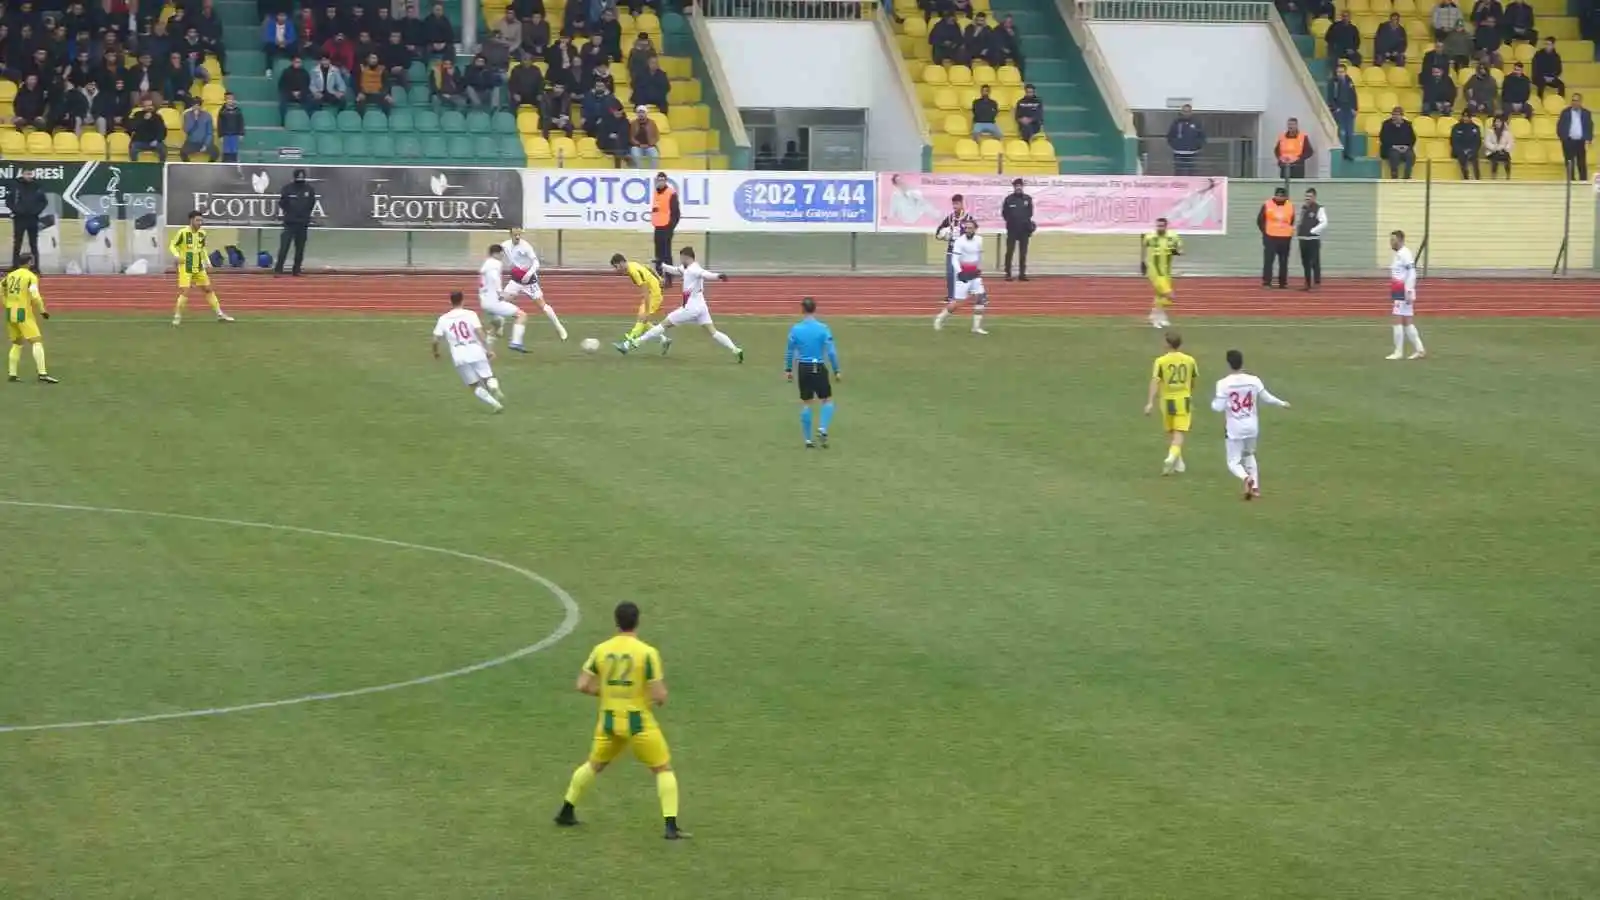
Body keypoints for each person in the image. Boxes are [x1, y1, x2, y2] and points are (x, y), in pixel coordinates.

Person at [554, 601, 687, 841]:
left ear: (616, 622)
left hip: (608, 720)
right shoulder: (647, 653)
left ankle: (566, 810)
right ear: (638, 621)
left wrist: (604, 692)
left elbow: (582, 685)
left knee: (594, 765)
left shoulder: (601, 649)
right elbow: (659, 694)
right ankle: (671, 827)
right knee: (662, 769)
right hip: (637, 722)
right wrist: (655, 698)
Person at [617, 246, 743, 362]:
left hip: (690, 308)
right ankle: (735, 349)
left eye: (682, 257)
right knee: (713, 332)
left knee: (663, 325)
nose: (680, 260)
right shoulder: (687, 268)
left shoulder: (695, 269)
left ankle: (634, 343)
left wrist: (718, 276)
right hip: (701, 307)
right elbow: (676, 270)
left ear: (687, 257)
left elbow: (705, 274)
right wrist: (663, 265)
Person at [1211, 349, 1290, 500]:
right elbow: (1266, 397)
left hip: (1234, 427)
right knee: (1249, 454)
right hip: (1252, 425)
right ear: (1242, 362)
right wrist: (1281, 403)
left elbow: (1218, 407)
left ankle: (1246, 478)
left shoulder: (1223, 384)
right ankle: (1255, 487)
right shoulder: (1254, 380)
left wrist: (1215, 403)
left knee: (1233, 462)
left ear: (1228, 364)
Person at [431, 290, 504, 412]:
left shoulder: (443, 319)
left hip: (459, 355)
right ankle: (494, 387)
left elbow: (435, 340)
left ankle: (495, 404)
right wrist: (488, 349)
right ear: (463, 300)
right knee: (488, 376)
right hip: (476, 349)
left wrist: (436, 353)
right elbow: (479, 332)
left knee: (474, 385)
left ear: (450, 301)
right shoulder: (470, 314)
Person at [785, 297, 840, 450]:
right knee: (827, 400)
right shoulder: (823, 328)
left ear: (802, 309)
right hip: (818, 366)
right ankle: (822, 428)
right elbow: (831, 352)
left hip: (803, 368)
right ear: (815, 309)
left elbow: (790, 351)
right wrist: (836, 370)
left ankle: (808, 440)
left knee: (806, 402)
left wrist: (788, 369)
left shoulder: (795, 329)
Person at [502, 226, 568, 344]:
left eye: (519, 235)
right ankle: (500, 327)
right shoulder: (505, 245)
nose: (517, 237)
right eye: (515, 235)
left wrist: (529, 274)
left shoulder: (526, 246)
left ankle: (559, 327)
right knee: (502, 301)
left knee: (543, 305)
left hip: (529, 281)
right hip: (516, 280)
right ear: (510, 235)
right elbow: (498, 254)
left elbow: (536, 262)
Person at [168, 210, 235, 326]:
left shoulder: (202, 233)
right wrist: (177, 256)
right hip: (186, 264)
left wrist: (207, 261)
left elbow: (202, 248)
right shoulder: (183, 233)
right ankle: (177, 316)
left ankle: (220, 314)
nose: (200, 223)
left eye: (201, 220)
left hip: (198, 265)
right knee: (186, 291)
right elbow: (173, 245)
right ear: (191, 221)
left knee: (208, 289)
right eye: (197, 220)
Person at [1143, 330, 1196, 475]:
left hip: (1166, 401)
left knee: (1172, 432)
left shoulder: (1160, 361)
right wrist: (1190, 394)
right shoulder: (1189, 360)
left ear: (1168, 344)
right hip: (1183, 399)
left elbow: (1155, 381)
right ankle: (1172, 457)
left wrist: (1150, 402)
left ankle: (1177, 462)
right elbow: (1193, 380)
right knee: (1179, 433)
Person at [3, 255, 57, 384]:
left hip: (10, 312)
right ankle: (42, 373)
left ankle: (12, 374)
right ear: (29, 263)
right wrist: (42, 310)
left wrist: (6, 303)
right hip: (22, 312)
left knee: (17, 343)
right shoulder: (30, 276)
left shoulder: (10, 276)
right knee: (36, 341)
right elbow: (35, 295)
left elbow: (1, 289)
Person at [933, 218, 988, 335]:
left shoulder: (979, 240)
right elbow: (954, 259)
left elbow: (979, 256)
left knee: (981, 298)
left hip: (975, 275)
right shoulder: (960, 241)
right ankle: (940, 318)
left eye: (970, 228)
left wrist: (979, 268)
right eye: (966, 228)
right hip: (963, 275)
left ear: (975, 229)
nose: (967, 230)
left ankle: (976, 327)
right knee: (957, 303)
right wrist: (960, 273)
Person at [476, 244, 531, 352]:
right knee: (522, 315)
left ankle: (485, 350)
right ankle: (516, 342)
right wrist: (502, 294)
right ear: (496, 253)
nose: (503, 256)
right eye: (502, 253)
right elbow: (494, 277)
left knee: (497, 324)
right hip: (493, 302)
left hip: (485, 302)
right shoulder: (495, 263)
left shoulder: (486, 264)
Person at [611, 252, 668, 351]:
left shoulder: (633, 272)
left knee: (642, 318)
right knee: (642, 320)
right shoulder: (632, 264)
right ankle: (664, 339)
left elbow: (645, 292)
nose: (616, 270)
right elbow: (649, 268)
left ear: (621, 263)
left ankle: (627, 344)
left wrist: (646, 312)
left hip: (654, 295)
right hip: (653, 293)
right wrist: (659, 278)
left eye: (616, 267)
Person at [1386, 230, 1426, 360]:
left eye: (1393, 240)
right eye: (1390, 240)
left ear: (1401, 240)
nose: (1391, 242)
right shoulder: (1399, 254)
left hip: (1402, 291)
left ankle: (1398, 352)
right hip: (1400, 289)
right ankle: (1419, 349)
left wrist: (1408, 291)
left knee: (1397, 319)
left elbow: (1412, 273)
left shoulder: (1404, 254)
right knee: (1407, 322)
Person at [933, 194, 977, 306]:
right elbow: (938, 232)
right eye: (954, 204)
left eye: (957, 203)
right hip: (951, 250)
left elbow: (973, 232)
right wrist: (944, 234)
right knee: (950, 273)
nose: (955, 206)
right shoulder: (949, 218)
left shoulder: (968, 218)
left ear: (962, 204)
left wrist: (964, 234)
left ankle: (973, 293)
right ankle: (951, 296)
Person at [1141, 217, 1182, 328]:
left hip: (1166, 271)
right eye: (1158, 225)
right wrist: (1142, 262)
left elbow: (1180, 250)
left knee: (1160, 295)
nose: (1159, 228)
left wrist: (1176, 251)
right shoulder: (1150, 236)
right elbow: (1144, 247)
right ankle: (1155, 317)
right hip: (1154, 271)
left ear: (1166, 226)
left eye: (1161, 226)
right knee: (1169, 295)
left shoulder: (1172, 237)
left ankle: (1159, 316)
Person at [276, 168, 318, 276]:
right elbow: (282, 203)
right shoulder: (287, 189)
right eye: (298, 175)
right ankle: (278, 269)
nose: (300, 177)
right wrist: (290, 213)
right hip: (289, 223)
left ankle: (296, 270)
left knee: (300, 248)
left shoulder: (309, 189)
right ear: (294, 176)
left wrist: (304, 215)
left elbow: (311, 204)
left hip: (302, 223)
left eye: (302, 175)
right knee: (284, 247)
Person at [1258, 186, 1295, 289]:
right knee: (1269, 261)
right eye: (1277, 195)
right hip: (1271, 237)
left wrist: (1288, 231)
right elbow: (1260, 220)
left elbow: (1292, 220)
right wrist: (1265, 233)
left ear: (1285, 197)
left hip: (1285, 237)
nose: (1279, 197)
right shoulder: (1267, 204)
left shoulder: (1290, 206)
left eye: (1282, 196)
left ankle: (1283, 283)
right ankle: (1267, 282)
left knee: (1283, 262)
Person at [8, 169, 46, 268]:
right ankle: (15, 266)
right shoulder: (16, 186)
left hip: (33, 219)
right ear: (23, 174)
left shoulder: (37, 186)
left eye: (30, 174)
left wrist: (36, 211)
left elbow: (44, 202)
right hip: (19, 219)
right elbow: (9, 201)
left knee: (33, 244)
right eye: (26, 174)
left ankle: (35, 267)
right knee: (17, 243)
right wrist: (17, 210)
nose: (28, 176)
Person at [650, 171, 680, 287]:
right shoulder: (656, 193)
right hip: (657, 227)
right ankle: (658, 277)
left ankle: (669, 279)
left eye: (663, 180)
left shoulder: (671, 193)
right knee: (658, 254)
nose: (660, 182)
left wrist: (670, 227)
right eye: (659, 180)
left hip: (666, 228)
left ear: (666, 181)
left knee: (666, 255)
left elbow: (676, 213)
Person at [1001, 178, 1034, 281]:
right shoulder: (1009, 199)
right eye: (1016, 186)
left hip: (1024, 230)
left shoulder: (1028, 199)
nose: (1018, 187)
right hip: (1012, 230)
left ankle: (1022, 274)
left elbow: (1030, 213)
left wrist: (1025, 223)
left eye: (1020, 185)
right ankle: (1008, 273)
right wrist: (1011, 222)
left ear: (1022, 187)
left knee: (1023, 253)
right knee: (1010, 251)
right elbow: (1004, 213)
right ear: (1014, 187)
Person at [1297, 187, 1328, 291]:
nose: (1307, 198)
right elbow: (1300, 221)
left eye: (1310, 196)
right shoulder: (1303, 208)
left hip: (1313, 239)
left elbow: (1324, 222)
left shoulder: (1319, 208)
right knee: (1305, 262)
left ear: (1314, 197)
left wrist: (1313, 231)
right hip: (1303, 239)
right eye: (1306, 196)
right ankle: (1307, 283)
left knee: (1314, 262)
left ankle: (1317, 283)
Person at [1557, 93, 1593, 181]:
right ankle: (1571, 181)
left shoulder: (1586, 113)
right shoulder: (1565, 112)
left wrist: (1588, 139)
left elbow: (1589, 126)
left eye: (1576, 100)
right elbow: (1559, 126)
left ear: (1580, 102)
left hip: (1581, 141)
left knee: (1581, 163)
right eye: (1573, 100)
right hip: (1568, 141)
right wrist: (1563, 138)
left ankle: (1583, 181)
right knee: (1569, 163)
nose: (1574, 102)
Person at [1166, 103, 1205, 175]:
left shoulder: (1196, 123)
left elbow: (1202, 136)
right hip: (1178, 153)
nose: (1186, 113)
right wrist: (1175, 145)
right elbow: (1170, 135)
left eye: (1188, 111)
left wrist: (1197, 146)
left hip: (1192, 153)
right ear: (1181, 112)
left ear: (1191, 112)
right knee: (1179, 172)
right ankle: (1178, 185)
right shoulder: (1176, 123)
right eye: (1184, 111)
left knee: (1192, 173)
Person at [1450, 109, 1483, 179]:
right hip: (1459, 151)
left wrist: (1471, 150)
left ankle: (1477, 178)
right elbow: (1453, 141)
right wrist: (1462, 150)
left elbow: (1477, 142)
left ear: (1470, 118)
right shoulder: (1456, 127)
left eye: (1467, 117)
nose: (1465, 118)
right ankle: (1466, 177)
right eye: (1464, 116)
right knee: (1462, 157)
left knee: (1474, 158)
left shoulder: (1475, 128)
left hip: (1471, 150)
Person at [1484, 114, 1514, 178]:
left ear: (1502, 122)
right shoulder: (1490, 131)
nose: (1497, 123)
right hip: (1492, 151)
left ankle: (1508, 175)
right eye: (1496, 122)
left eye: (1499, 122)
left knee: (1507, 158)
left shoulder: (1507, 132)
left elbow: (1510, 143)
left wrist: (1504, 149)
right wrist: (1495, 148)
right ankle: (1493, 175)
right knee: (1495, 157)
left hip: (1503, 150)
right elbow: (1487, 143)